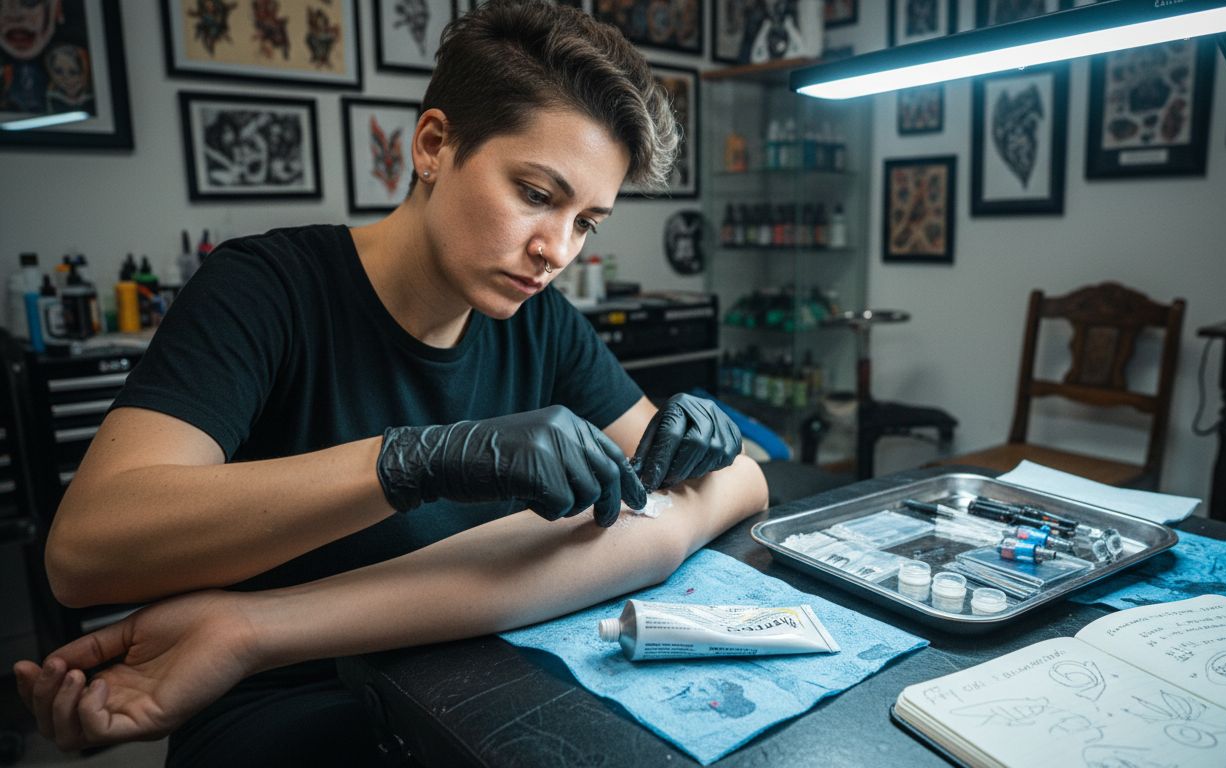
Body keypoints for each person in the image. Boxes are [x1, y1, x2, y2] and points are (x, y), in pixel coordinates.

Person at [12, 1, 768, 764]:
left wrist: (705, 447)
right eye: (537, 195)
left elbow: (715, 493)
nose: (556, 251)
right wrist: (412, 460)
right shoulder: (268, 290)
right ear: (434, 145)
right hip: (290, 697)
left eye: (586, 223)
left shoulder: (540, 322)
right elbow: (83, 555)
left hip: (472, 670)